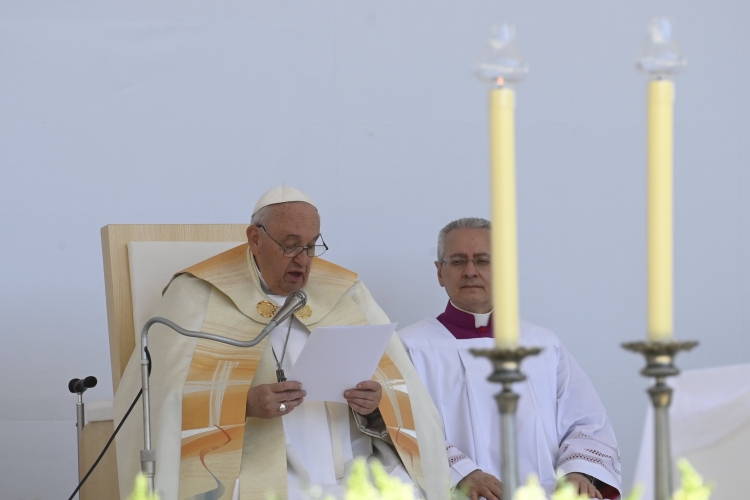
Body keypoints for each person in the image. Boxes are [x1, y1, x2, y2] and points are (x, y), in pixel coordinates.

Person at [114, 186, 455, 500]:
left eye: (311, 246)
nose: (303, 260)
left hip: (354, 463)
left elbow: (403, 392)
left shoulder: (344, 290)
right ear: (255, 239)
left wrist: (375, 404)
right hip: (254, 470)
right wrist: (241, 405)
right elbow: (162, 401)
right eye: (290, 245)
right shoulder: (198, 294)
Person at [398, 217, 623, 500]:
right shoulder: (408, 347)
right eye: (457, 261)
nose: (470, 271)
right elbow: (400, 429)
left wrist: (577, 473)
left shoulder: (543, 345)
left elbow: (587, 423)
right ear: (440, 272)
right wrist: (461, 473)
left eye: (483, 260)